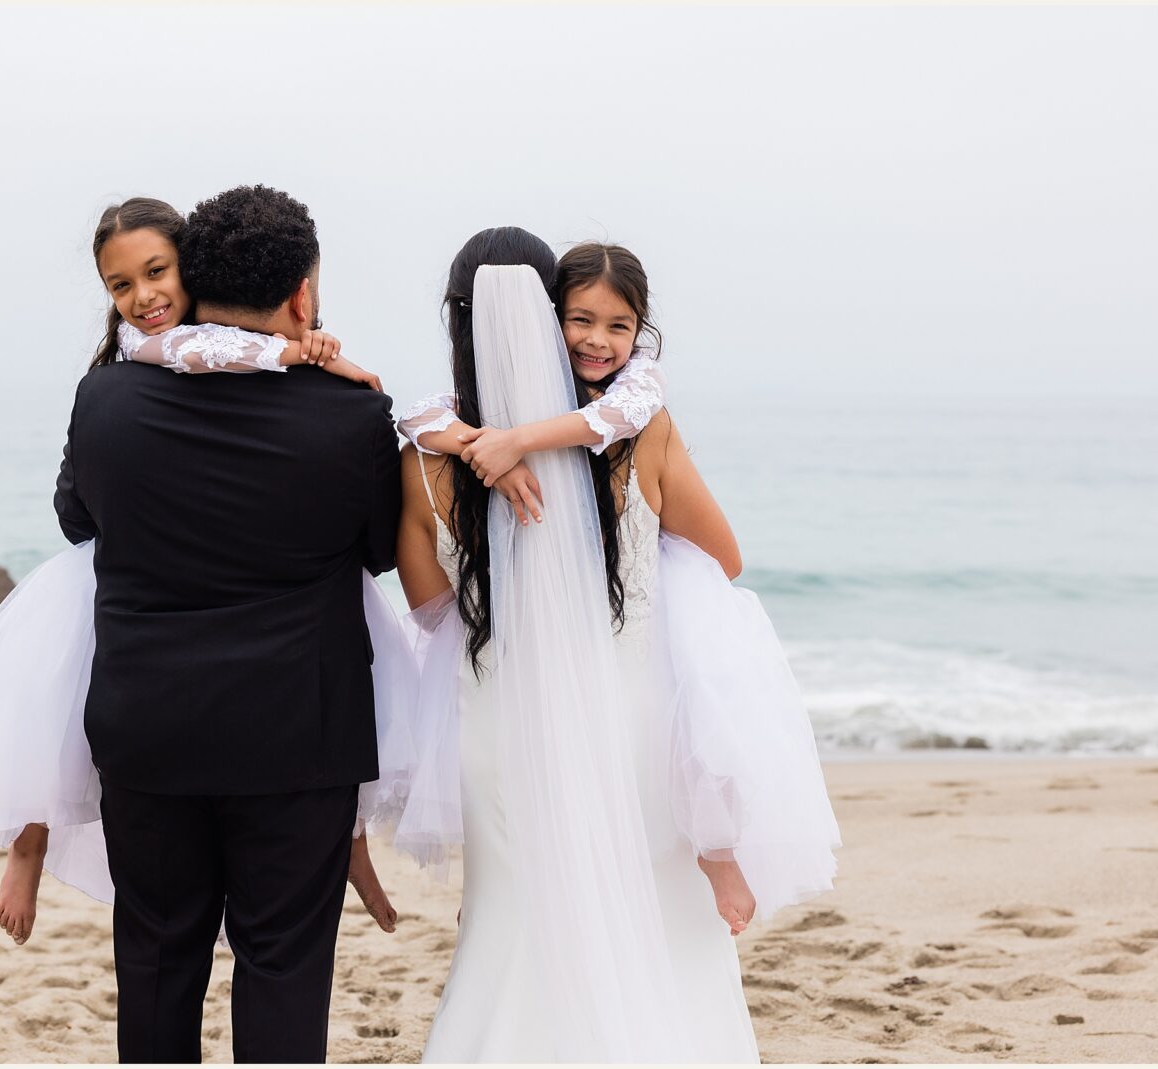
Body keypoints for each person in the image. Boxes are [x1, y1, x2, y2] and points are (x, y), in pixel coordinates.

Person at [371, 227, 837, 1060]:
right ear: (550, 318)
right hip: (627, 720)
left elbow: (431, 606)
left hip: (498, 728)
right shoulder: (635, 433)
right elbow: (722, 556)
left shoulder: (423, 464)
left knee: (516, 924)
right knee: (657, 921)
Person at [53, 185, 403, 1063]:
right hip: (297, 738)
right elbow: (378, 550)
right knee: (284, 962)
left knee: (159, 959)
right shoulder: (353, 414)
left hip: (149, 729)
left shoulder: (105, 400)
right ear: (302, 294)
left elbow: (75, 517)